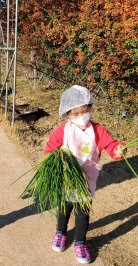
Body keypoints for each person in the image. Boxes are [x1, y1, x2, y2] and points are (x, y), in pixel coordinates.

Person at [44, 85, 127, 264]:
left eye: (85, 111)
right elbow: (50, 150)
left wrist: (117, 150)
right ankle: (61, 232)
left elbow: (110, 144)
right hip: (66, 178)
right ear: (67, 114)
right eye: (76, 114)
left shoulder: (98, 130)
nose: (82, 116)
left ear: (90, 108)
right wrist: (53, 162)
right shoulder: (62, 131)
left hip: (87, 179)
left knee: (82, 212)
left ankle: (80, 241)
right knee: (64, 208)